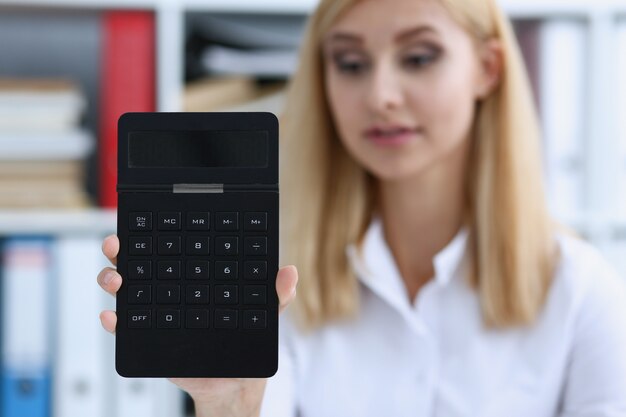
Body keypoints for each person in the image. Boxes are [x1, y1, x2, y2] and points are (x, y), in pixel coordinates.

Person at [97, 0, 626, 415]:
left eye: (418, 57)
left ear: (487, 69)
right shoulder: (277, 283)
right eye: (350, 63)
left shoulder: (582, 292)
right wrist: (227, 403)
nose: (380, 95)